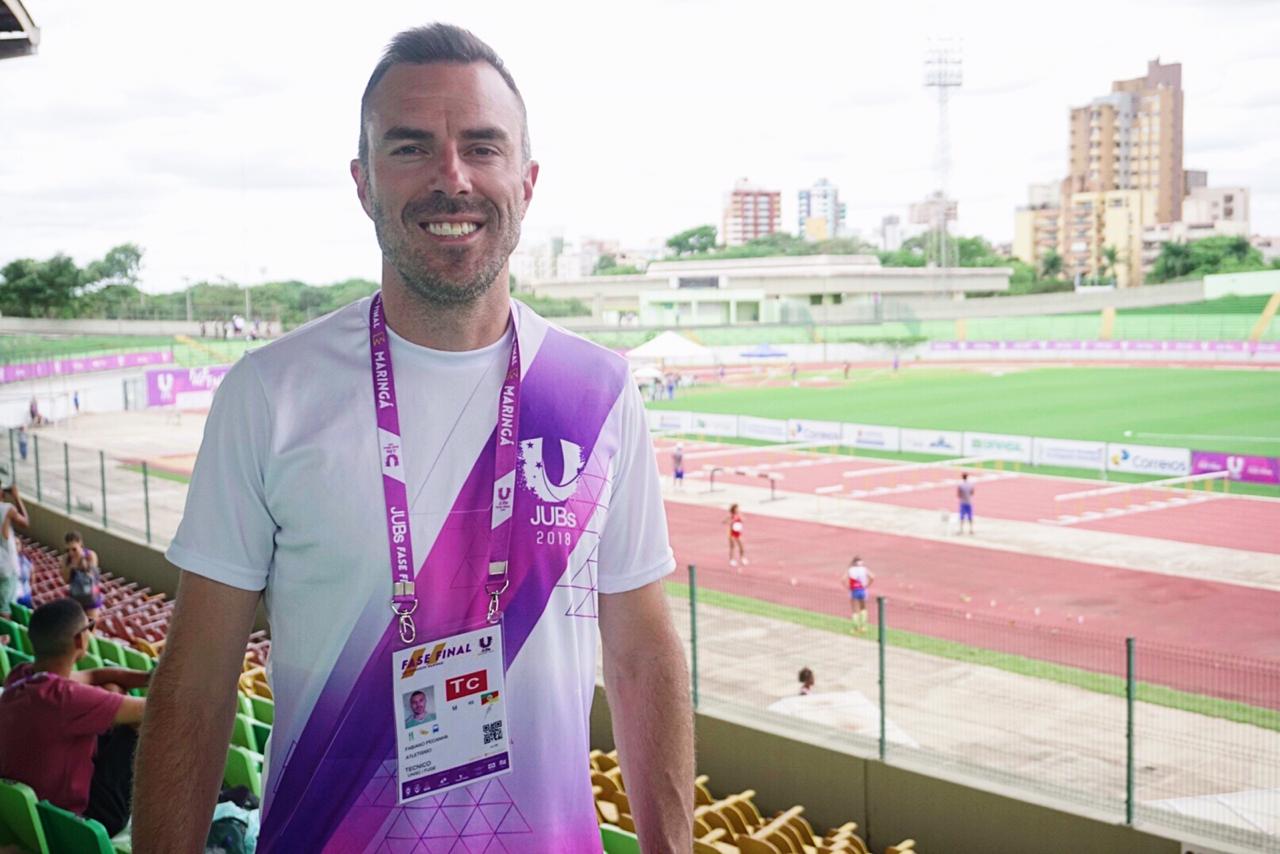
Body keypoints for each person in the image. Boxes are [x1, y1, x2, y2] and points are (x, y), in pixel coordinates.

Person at [135, 24, 693, 854]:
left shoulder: (599, 392)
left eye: (481, 146)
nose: (452, 178)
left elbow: (644, 655)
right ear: (362, 183)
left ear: (527, 181)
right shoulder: (269, 395)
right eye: (410, 148)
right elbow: (198, 681)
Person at [0, 598, 149, 837]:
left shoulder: (22, 676)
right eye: (89, 626)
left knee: (112, 689)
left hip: (34, 803)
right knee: (136, 723)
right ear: (80, 639)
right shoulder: (67, 699)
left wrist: (147, 677)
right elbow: (151, 710)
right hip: (83, 817)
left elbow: (91, 676)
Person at [60, 531, 103, 622]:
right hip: (76, 597)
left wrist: (81, 561)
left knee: (92, 625)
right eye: (68, 550)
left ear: (80, 544)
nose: (71, 553)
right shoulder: (65, 559)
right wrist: (71, 567)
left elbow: (92, 575)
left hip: (91, 597)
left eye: (74, 549)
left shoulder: (90, 555)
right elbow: (65, 580)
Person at [0, 484, 29, 617]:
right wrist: (16, 497)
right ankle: (6, 637)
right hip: (7, 567)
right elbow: (25, 523)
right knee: (5, 609)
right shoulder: (7, 509)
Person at [846, 556, 875, 633]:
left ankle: (855, 628)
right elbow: (872, 577)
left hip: (854, 591)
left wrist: (848, 587)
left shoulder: (850, 570)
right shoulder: (864, 569)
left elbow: (842, 579)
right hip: (862, 590)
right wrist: (867, 585)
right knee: (863, 608)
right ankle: (863, 627)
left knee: (855, 610)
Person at [726, 503, 747, 567]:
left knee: (742, 546)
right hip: (732, 533)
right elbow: (725, 521)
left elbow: (744, 520)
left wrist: (740, 516)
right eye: (736, 508)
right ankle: (731, 560)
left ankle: (742, 558)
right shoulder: (731, 516)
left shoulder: (739, 515)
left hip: (738, 533)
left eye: (738, 508)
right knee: (732, 547)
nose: (737, 509)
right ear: (733, 509)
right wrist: (731, 521)